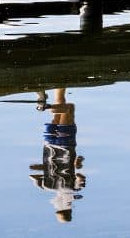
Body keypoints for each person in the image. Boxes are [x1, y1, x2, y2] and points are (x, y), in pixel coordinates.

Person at [30, 88, 86, 223]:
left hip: (66, 143)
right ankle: (58, 85)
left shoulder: (74, 191)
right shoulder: (46, 187)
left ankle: (44, 106)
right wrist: (45, 168)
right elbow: (32, 173)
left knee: (68, 108)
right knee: (59, 106)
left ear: (70, 210)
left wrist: (78, 164)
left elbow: (80, 176)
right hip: (49, 145)